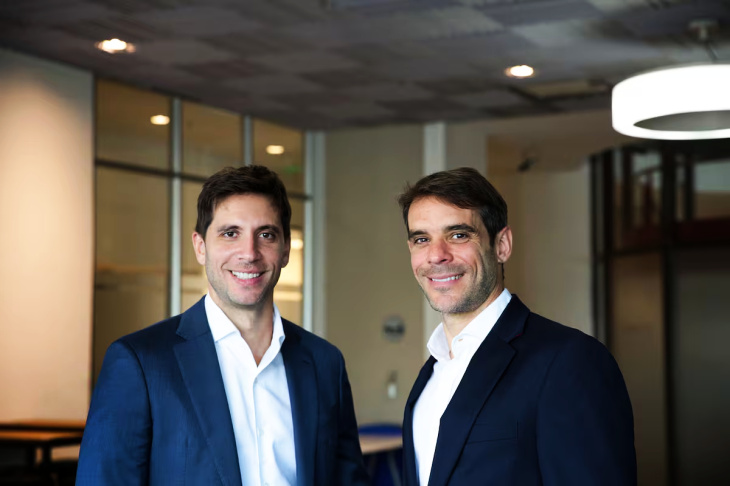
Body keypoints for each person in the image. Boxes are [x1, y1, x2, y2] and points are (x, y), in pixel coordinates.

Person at [77, 165, 368, 486]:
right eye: (230, 233)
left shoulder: (325, 364)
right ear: (200, 246)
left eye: (266, 235)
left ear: (285, 249)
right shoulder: (141, 363)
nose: (249, 253)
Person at [397, 167, 636, 486]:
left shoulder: (570, 361)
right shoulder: (430, 373)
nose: (436, 255)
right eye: (422, 239)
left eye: (458, 235)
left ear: (502, 245)